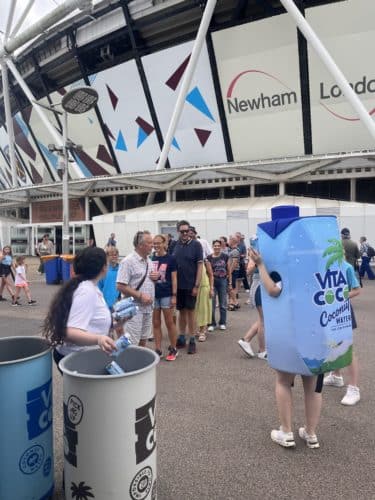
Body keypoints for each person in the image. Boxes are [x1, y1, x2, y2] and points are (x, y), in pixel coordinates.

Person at [250, 247, 322, 449]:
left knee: (283, 381)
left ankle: (286, 431)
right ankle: (311, 433)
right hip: (316, 333)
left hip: (290, 333)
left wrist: (261, 264)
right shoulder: (321, 270)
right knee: (313, 385)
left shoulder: (291, 271)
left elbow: (272, 290)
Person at [43, 247, 116, 368]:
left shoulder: (87, 286)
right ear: (103, 267)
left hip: (80, 356)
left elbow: (89, 322)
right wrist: (99, 339)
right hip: (78, 359)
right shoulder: (86, 290)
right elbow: (71, 332)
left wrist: (115, 323)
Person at [323, 260, 361, 405]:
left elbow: (357, 289)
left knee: (347, 348)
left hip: (343, 311)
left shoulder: (347, 267)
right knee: (333, 344)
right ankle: (336, 376)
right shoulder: (321, 265)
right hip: (327, 311)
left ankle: (354, 388)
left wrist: (341, 297)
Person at [116, 230, 158, 346]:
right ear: (140, 245)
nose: (152, 245)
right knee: (131, 343)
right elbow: (120, 285)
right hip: (133, 309)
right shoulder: (128, 261)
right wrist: (140, 295)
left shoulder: (149, 260)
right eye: (149, 243)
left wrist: (156, 277)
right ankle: (127, 364)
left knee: (143, 340)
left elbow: (148, 280)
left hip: (148, 308)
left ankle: (140, 364)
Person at [173, 220, 203, 354]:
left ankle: (192, 339)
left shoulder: (197, 245)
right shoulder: (174, 245)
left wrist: (196, 285)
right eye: (182, 231)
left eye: (187, 231)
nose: (185, 233)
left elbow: (200, 266)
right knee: (181, 312)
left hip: (191, 285)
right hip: (178, 286)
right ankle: (181, 337)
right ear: (178, 232)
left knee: (190, 312)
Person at [151, 234, 178, 360]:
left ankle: (173, 348)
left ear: (164, 243)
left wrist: (174, 295)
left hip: (167, 294)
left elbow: (174, 278)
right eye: (154, 243)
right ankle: (158, 349)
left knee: (169, 322)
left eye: (158, 243)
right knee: (156, 323)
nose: (156, 245)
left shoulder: (171, 259)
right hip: (154, 295)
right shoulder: (151, 258)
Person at [237, 249, 267, 360]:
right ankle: (262, 350)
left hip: (266, 285)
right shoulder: (256, 252)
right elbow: (249, 270)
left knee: (264, 319)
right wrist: (257, 262)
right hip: (259, 285)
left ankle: (246, 339)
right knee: (263, 320)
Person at [207, 240, 229, 331]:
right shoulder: (209, 257)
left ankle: (222, 322)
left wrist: (230, 282)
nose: (216, 247)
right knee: (211, 304)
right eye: (215, 245)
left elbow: (228, 269)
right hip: (212, 281)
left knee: (223, 303)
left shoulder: (225, 256)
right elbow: (208, 271)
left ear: (221, 246)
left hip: (223, 281)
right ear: (212, 246)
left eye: (218, 245)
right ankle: (212, 323)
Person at [195, 258, 213, 342]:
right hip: (194, 288)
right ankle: (198, 329)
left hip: (204, 288)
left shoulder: (205, 261)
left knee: (203, 310)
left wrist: (211, 289)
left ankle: (202, 331)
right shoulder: (191, 260)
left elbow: (211, 275)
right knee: (195, 310)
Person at [227, 235, 241, 310]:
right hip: (232, 271)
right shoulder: (232, 250)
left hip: (233, 271)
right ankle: (233, 302)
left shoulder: (235, 251)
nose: (228, 241)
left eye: (229, 240)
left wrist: (229, 272)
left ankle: (235, 302)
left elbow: (234, 263)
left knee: (231, 287)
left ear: (232, 241)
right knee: (231, 287)